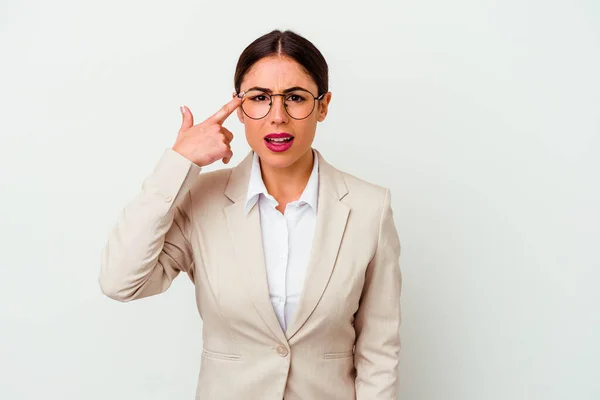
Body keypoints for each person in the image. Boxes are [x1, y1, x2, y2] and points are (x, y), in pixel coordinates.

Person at [99, 29, 402, 400]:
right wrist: (178, 163)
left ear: (323, 106)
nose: (278, 117)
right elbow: (120, 282)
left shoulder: (369, 207)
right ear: (240, 108)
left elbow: (379, 353)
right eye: (260, 98)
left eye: (295, 98)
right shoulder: (201, 199)